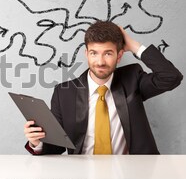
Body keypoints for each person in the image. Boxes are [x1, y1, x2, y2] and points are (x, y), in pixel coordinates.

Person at [24, 21, 183, 155]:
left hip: (133, 172)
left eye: (108, 53)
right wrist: (36, 141)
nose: (100, 62)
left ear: (119, 56)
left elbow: (171, 77)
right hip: (82, 172)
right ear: (86, 54)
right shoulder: (64, 93)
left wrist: (134, 46)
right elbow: (55, 147)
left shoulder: (132, 79)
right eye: (94, 53)